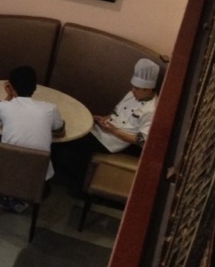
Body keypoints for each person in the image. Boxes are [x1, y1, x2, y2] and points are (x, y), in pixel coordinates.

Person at [56, 58, 160, 188]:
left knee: (75, 143)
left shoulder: (152, 110)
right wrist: (104, 118)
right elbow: (117, 112)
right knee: (70, 130)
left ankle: (77, 187)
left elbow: (141, 140)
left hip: (113, 141)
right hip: (103, 129)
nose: (133, 90)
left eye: (137, 89)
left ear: (149, 89)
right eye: (133, 86)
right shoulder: (131, 94)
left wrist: (114, 131)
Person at [0, 65, 65, 211]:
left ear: (10, 87)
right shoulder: (50, 108)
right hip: (38, 177)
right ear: (35, 87)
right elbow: (59, 128)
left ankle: (10, 194)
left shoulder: (2, 107)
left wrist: (9, 96)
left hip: (6, 172)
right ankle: (26, 197)